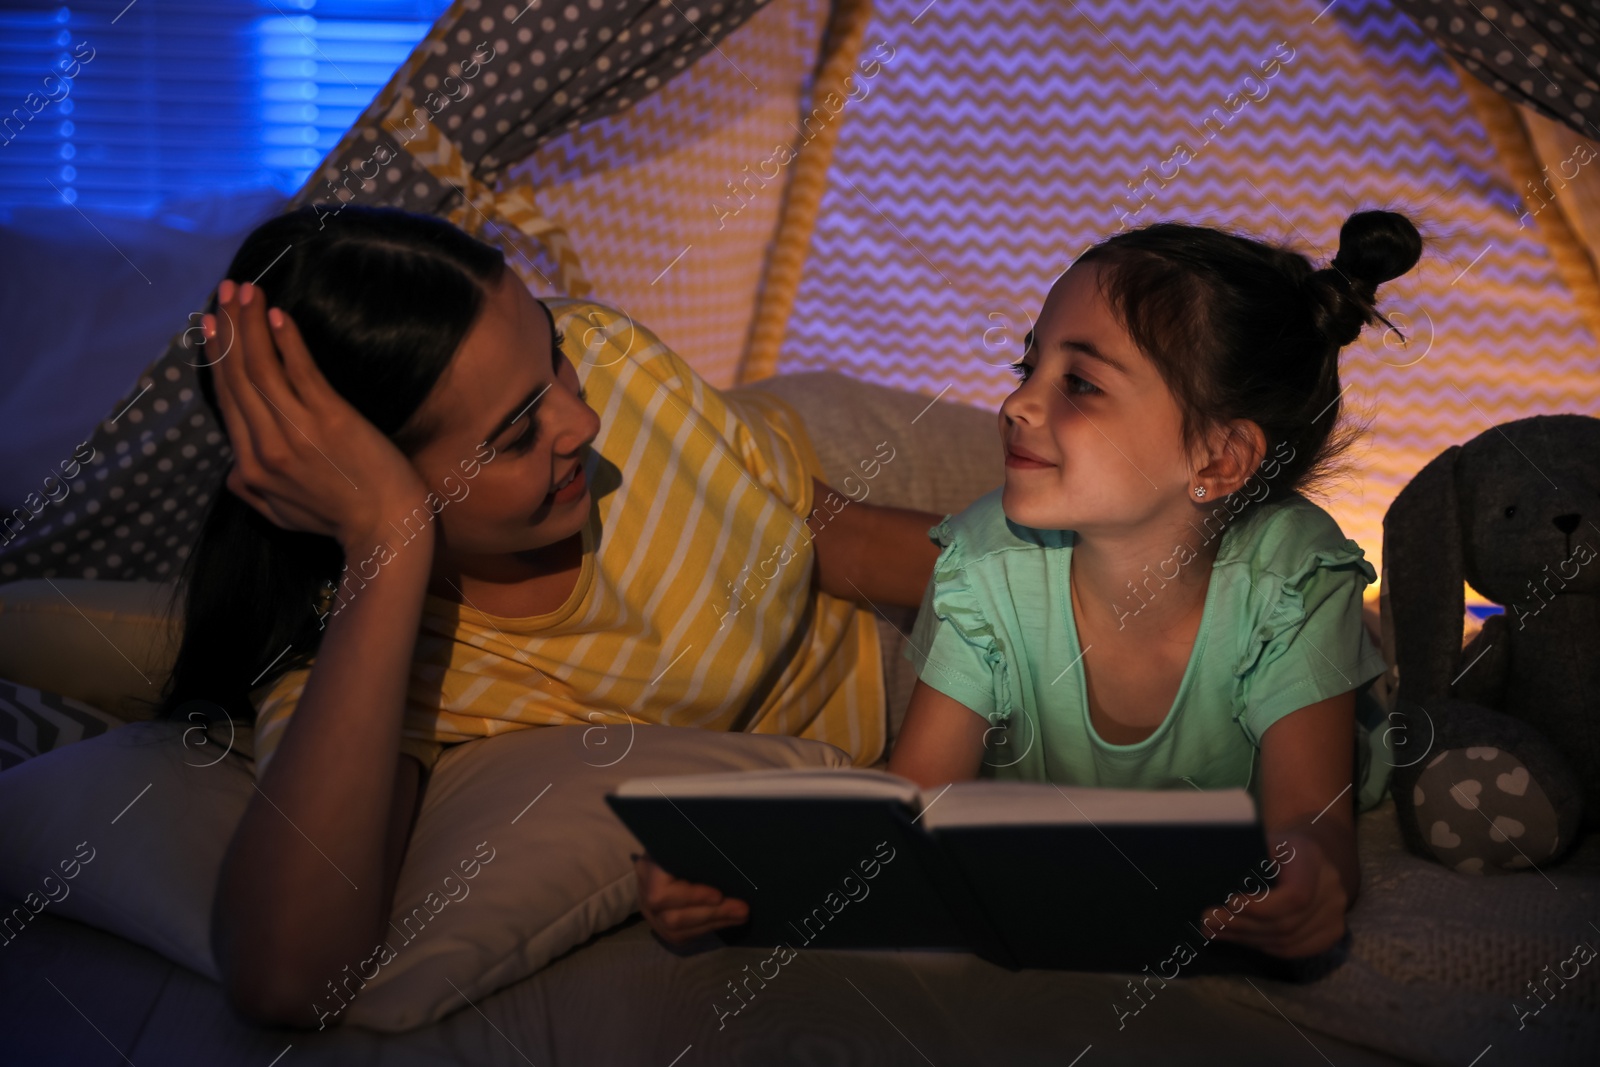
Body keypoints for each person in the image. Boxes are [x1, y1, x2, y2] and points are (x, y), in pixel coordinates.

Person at [165, 205, 945, 1025]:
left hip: (860, 462)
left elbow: (837, 534)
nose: (583, 420)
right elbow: (285, 978)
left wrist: (1047, 577)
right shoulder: (386, 653)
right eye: (515, 434)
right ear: (363, 484)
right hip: (876, 725)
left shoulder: (611, 367)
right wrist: (389, 543)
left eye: (552, 355)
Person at [637, 210, 1420, 962]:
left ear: (1217, 459)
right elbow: (911, 808)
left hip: (1343, 703)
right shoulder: (986, 567)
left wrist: (1313, 878)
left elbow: (1311, 826)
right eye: (1028, 364)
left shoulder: (1292, 579)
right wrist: (734, 875)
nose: (1016, 402)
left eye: (1079, 383)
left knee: (1391, 684)